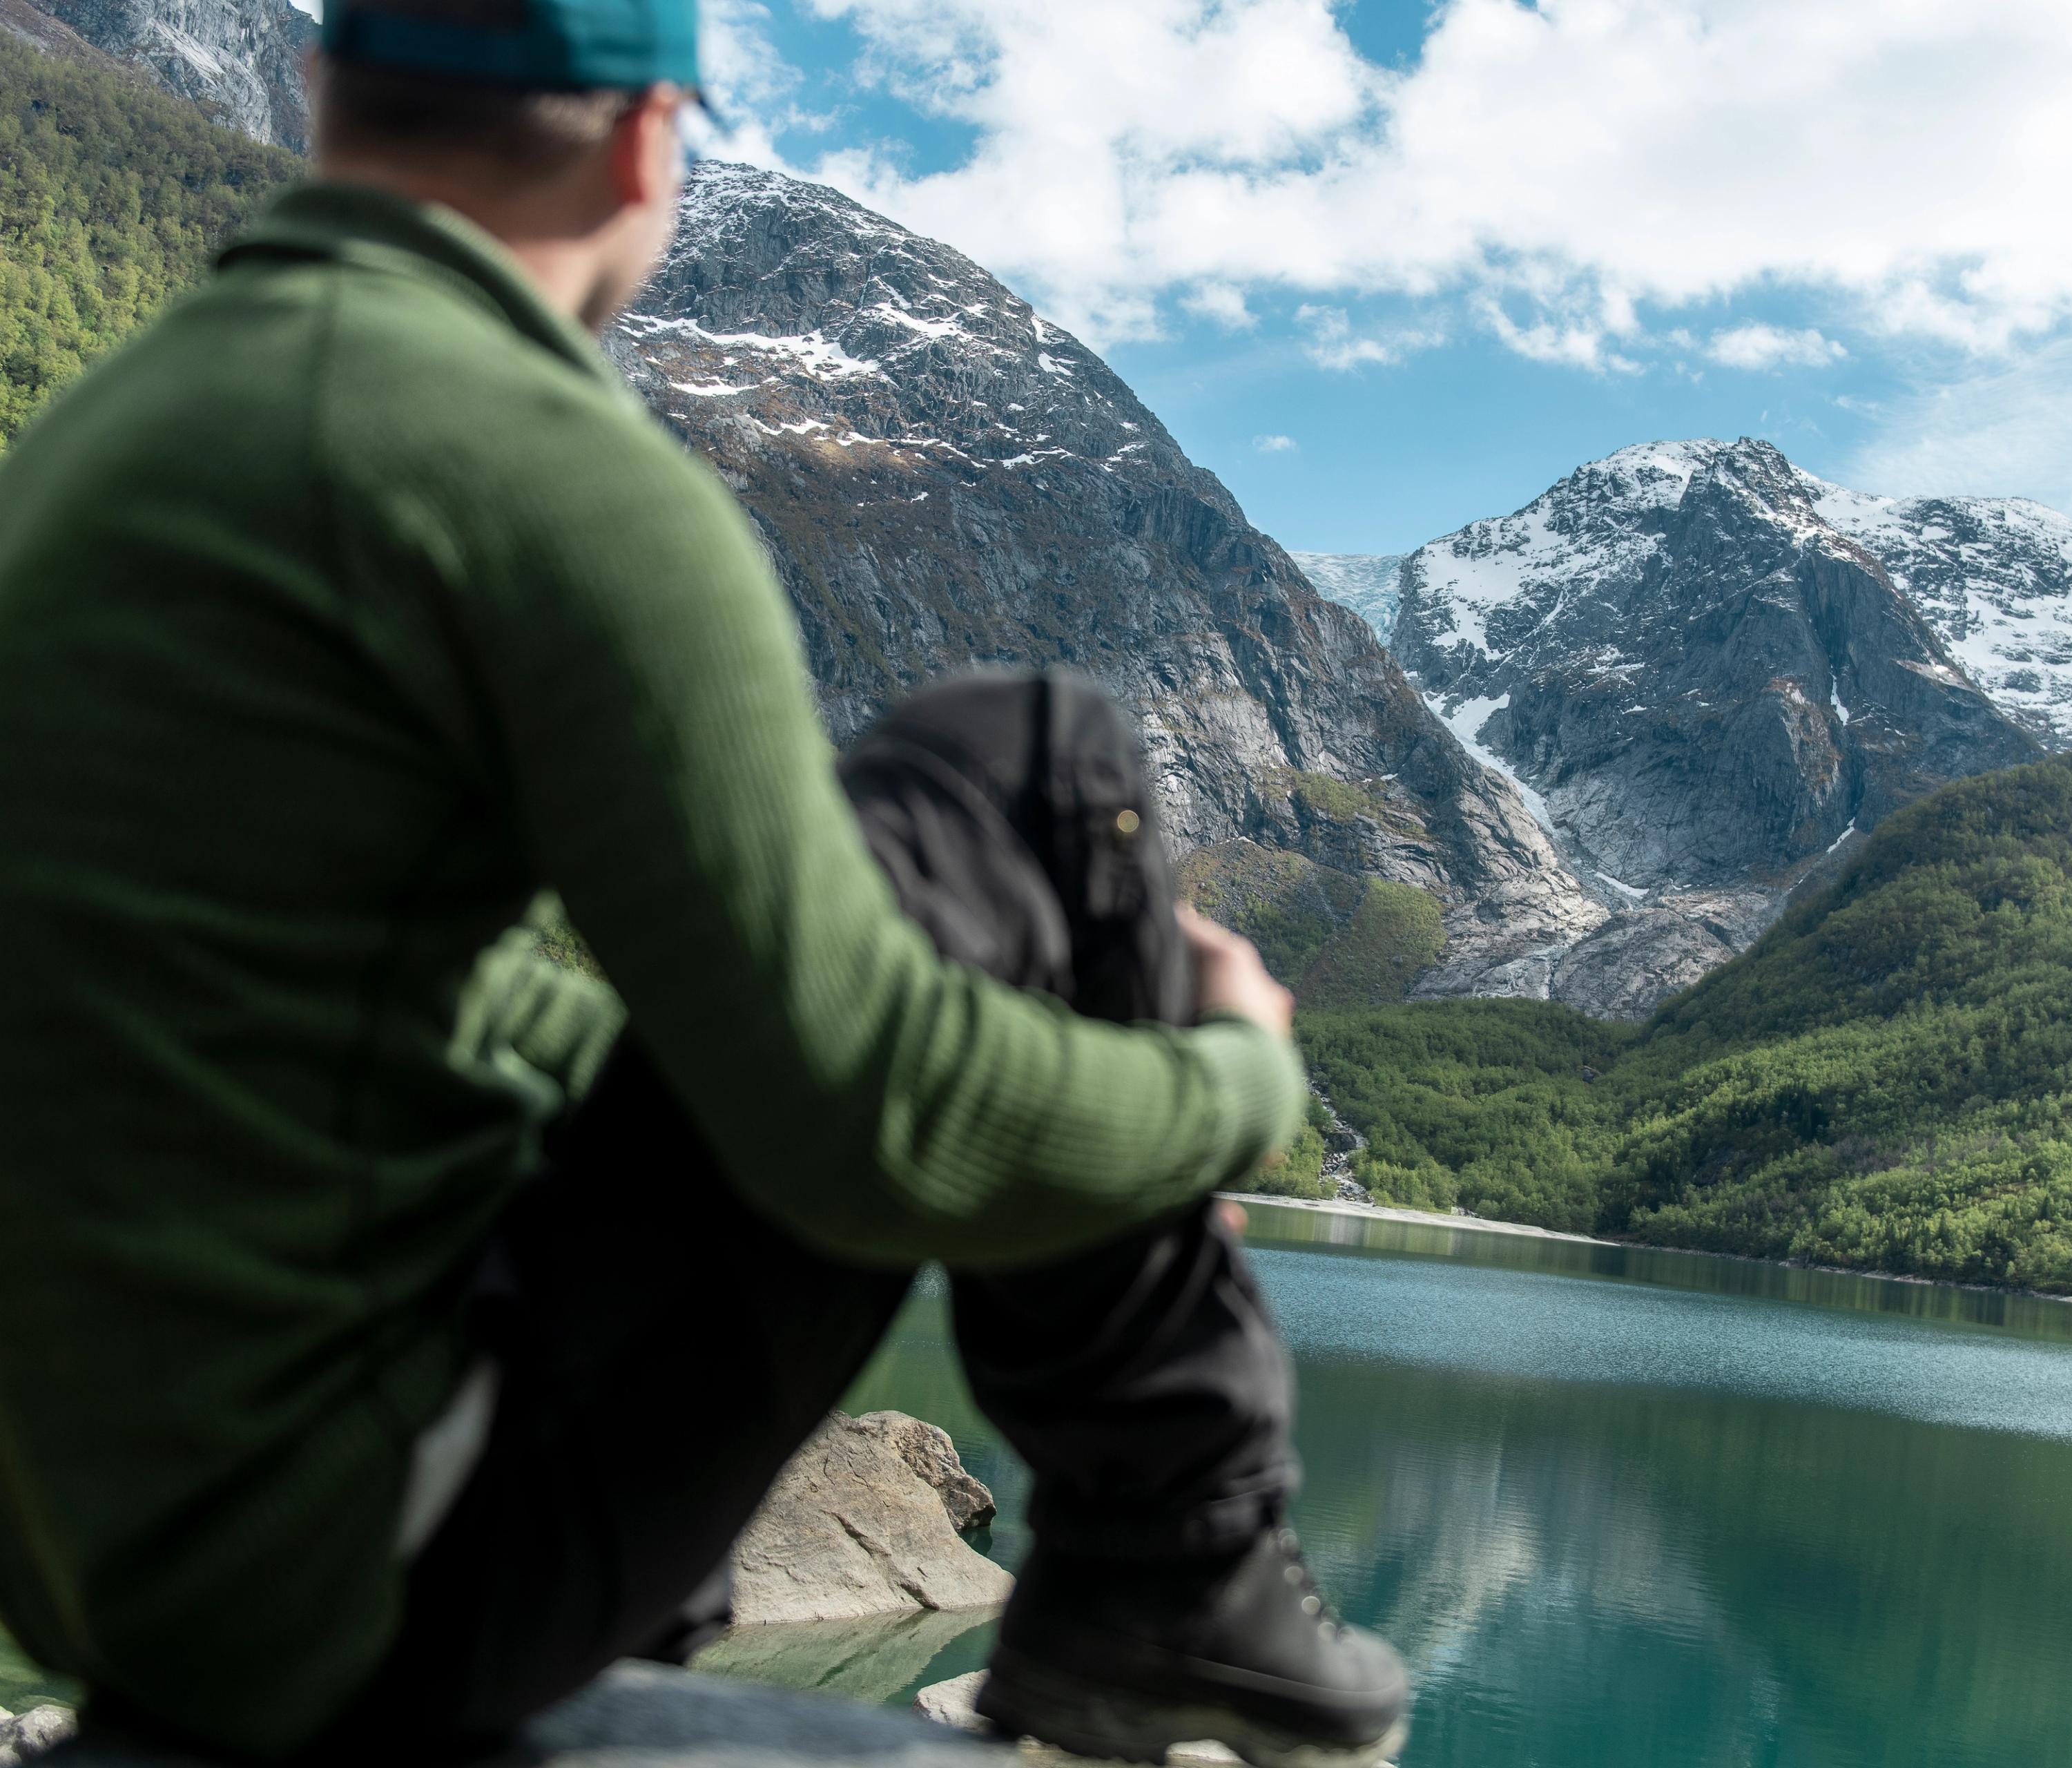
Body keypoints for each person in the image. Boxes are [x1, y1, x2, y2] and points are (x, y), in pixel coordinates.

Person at [0, 0, 1410, 1761]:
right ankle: (1172, 1568)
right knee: (1039, 765)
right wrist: (1224, 1085)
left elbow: (355, 992)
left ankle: (1162, 1588)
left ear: (322, 87)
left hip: (131, 1582)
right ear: (646, 139)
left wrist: (724, 1026)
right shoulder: (530, 452)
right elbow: (865, 1109)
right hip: (357, 1599)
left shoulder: (113, 438)